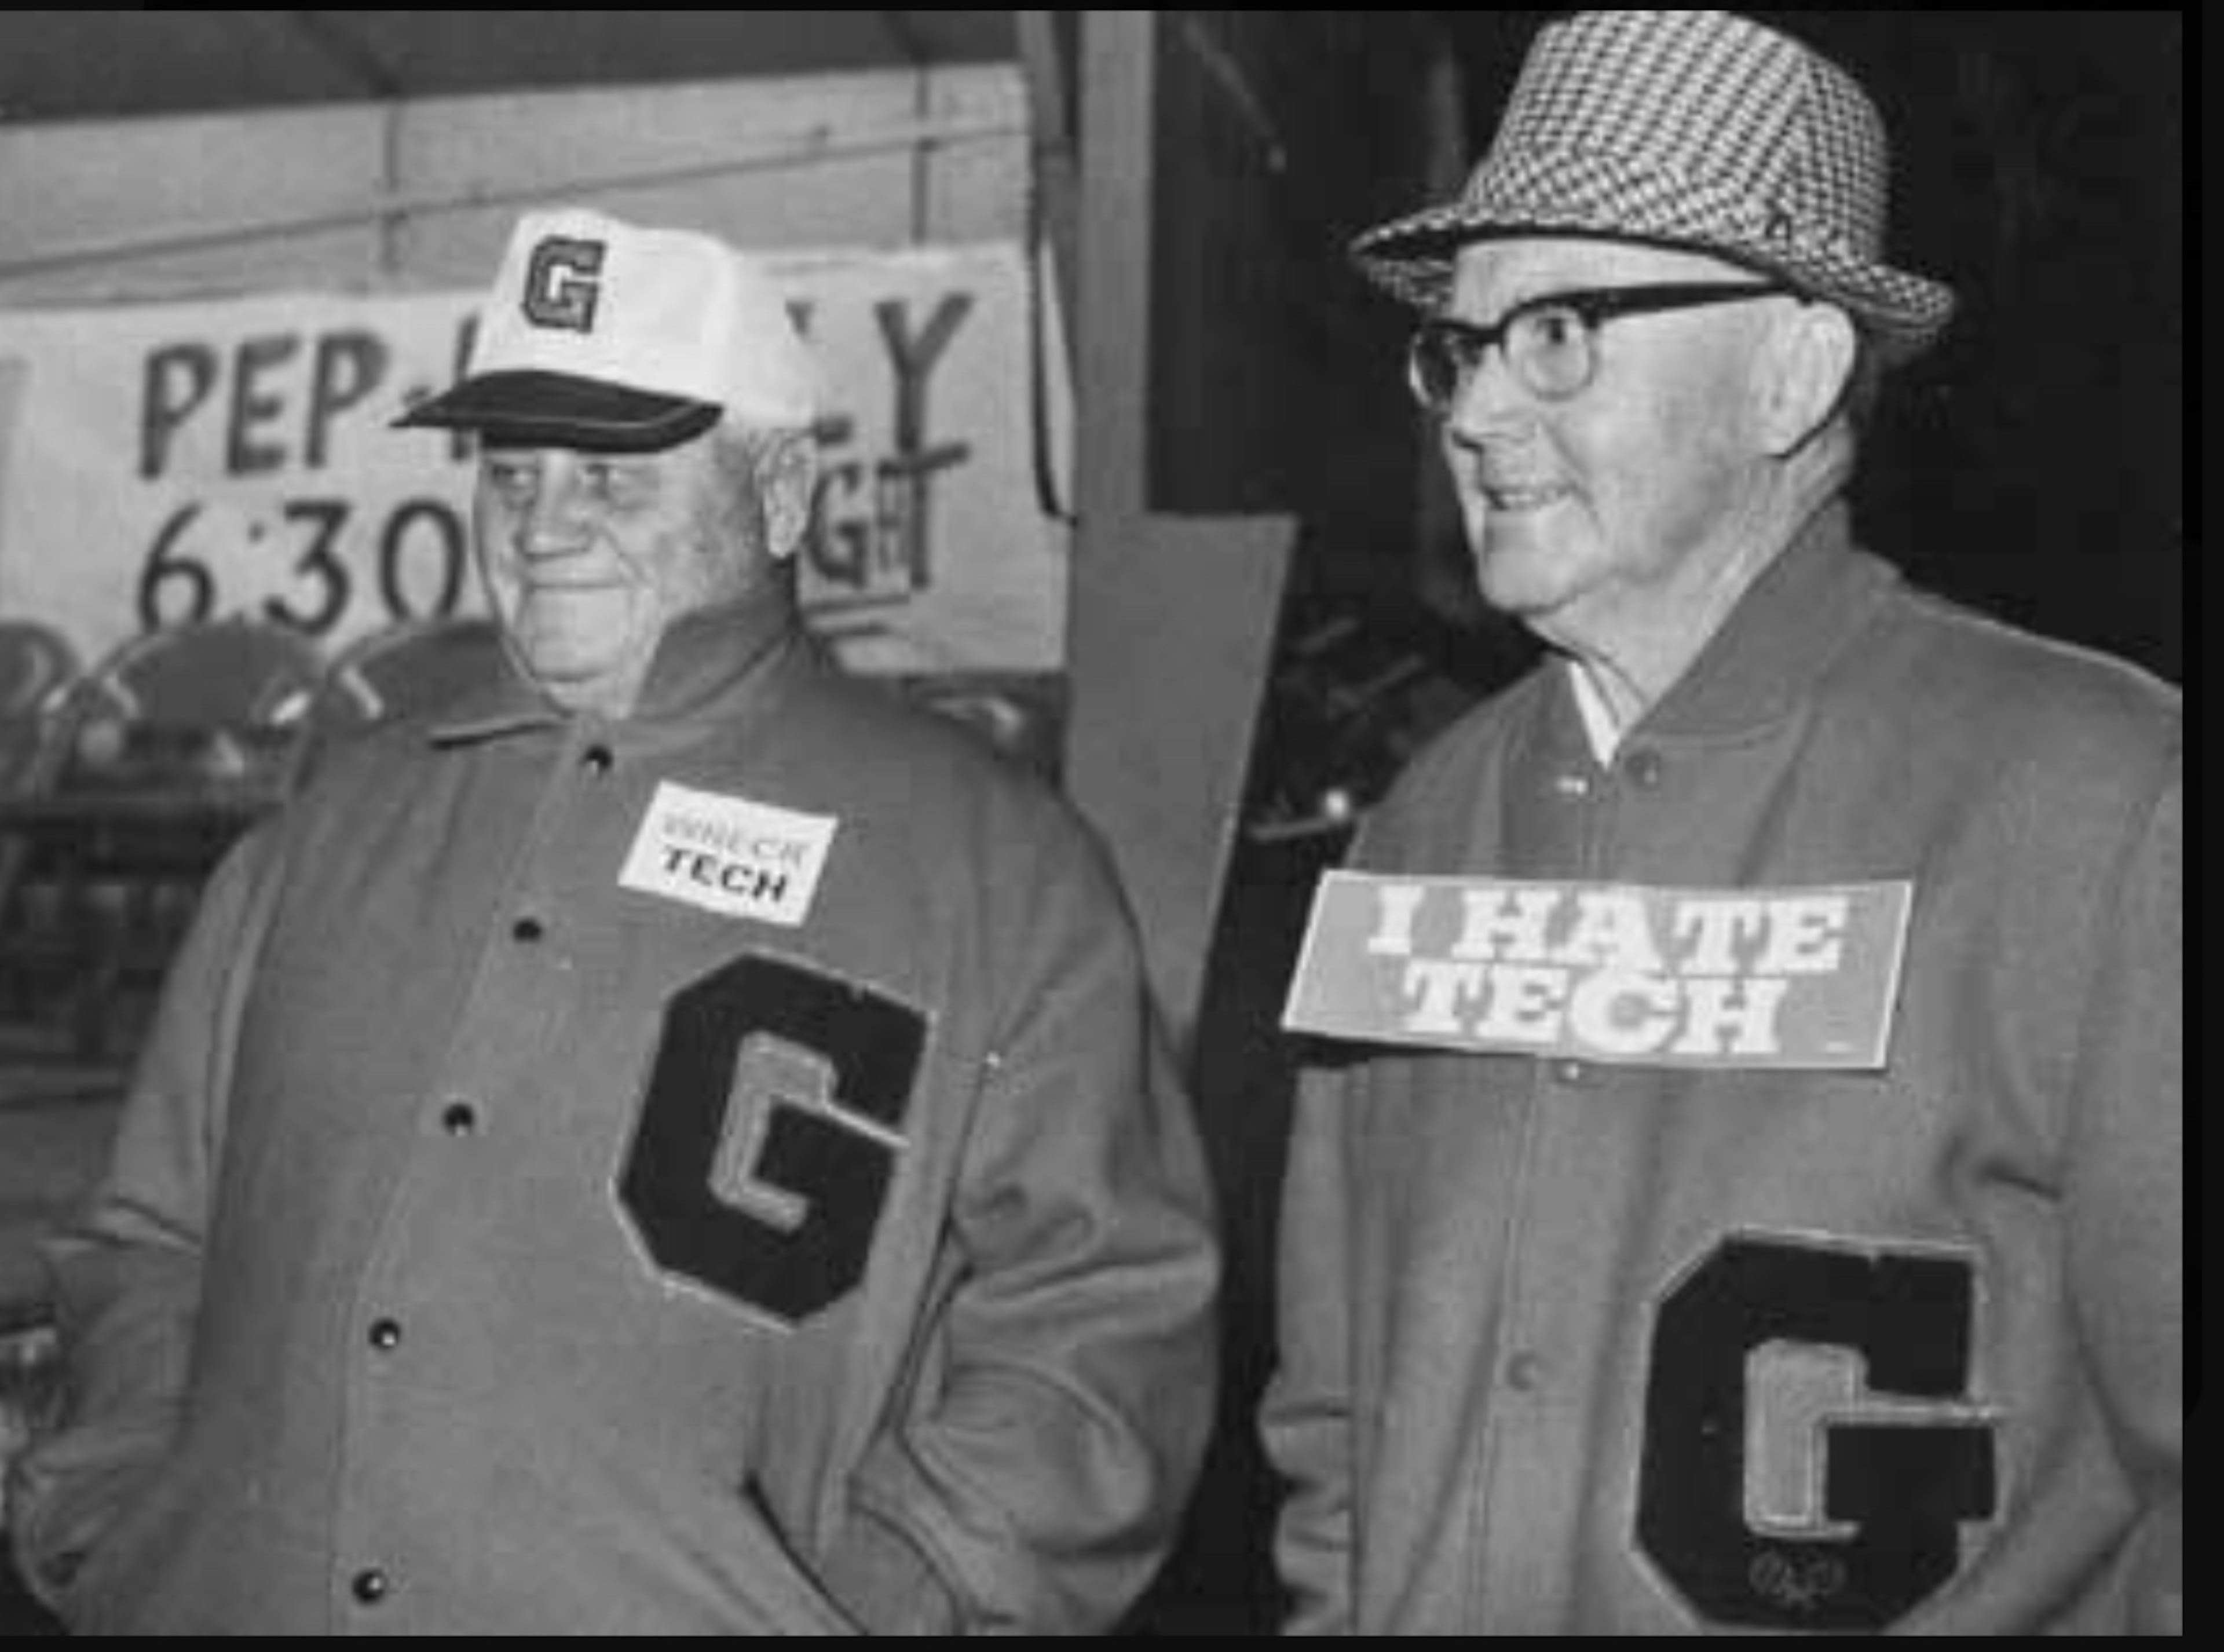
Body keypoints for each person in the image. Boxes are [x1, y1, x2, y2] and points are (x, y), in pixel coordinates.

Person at [8, 207, 1219, 1634]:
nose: (543, 523)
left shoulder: (991, 864)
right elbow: (151, 1236)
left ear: (780, 493)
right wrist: (124, 1512)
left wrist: (907, 1584)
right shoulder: (327, 826)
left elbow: (1107, 1307)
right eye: (511, 471)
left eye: (613, 474)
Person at [1266, 11, 2180, 1636]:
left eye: (1559, 331)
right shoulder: (1422, 823)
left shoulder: (2101, 804)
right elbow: (1338, 1437)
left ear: (1792, 375)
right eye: (1461, 347)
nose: (1476, 412)